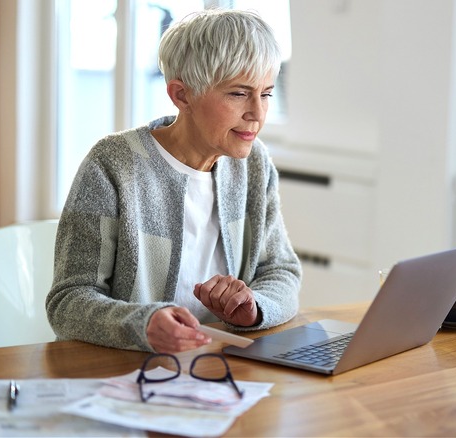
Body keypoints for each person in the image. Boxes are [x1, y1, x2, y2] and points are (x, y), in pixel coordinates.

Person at [46, 9, 301, 354]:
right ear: (182, 95)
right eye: (239, 94)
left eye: (266, 93)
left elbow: (281, 270)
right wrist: (142, 325)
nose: (257, 113)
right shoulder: (112, 165)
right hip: (127, 371)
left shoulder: (254, 165)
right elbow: (68, 302)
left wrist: (255, 307)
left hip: (219, 366)